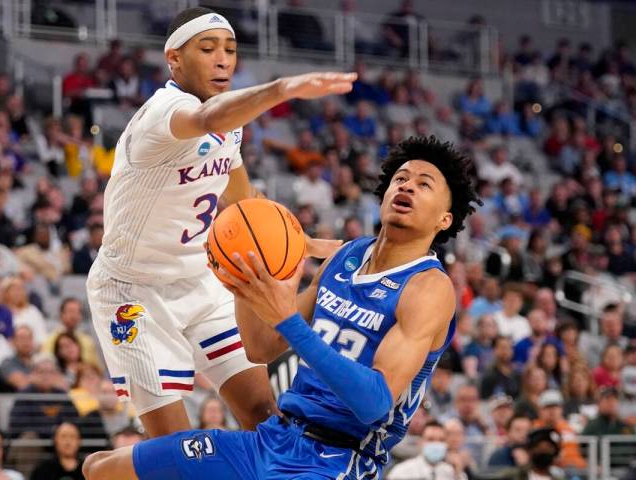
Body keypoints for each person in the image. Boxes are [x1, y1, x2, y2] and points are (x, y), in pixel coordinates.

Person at [82, 135, 481, 479]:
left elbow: (374, 403)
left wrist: (289, 318)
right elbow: (261, 347)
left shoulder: (429, 288)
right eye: (400, 179)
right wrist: (242, 282)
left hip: (337, 460)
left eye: (423, 184)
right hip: (275, 439)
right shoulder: (347, 257)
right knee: (101, 468)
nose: (406, 187)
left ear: (445, 218)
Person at [85, 6, 354, 439]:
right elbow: (208, 118)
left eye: (230, 49)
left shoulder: (231, 128)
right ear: (174, 58)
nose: (222, 58)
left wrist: (308, 244)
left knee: (266, 416)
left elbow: (245, 201)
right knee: (178, 449)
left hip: (202, 280)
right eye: (207, 48)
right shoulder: (166, 111)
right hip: (133, 290)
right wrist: (283, 88)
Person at [386, 421, 466, 480]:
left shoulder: (453, 473)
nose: (436, 444)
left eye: (441, 440)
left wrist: (458, 474)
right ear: (420, 442)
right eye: (430, 439)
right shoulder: (401, 472)